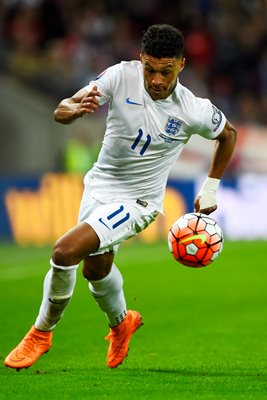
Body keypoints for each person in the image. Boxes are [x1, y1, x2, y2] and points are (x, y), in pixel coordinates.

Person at [4, 24, 236, 370]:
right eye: (150, 69)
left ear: (182, 65)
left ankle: (41, 333)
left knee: (65, 251)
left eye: (166, 72)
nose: (156, 80)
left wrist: (210, 188)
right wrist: (68, 109)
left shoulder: (194, 109)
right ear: (141, 59)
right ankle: (121, 323)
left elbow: (228, 134)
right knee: (96, 271)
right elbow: (65, 107)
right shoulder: (119, 76)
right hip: (98, 186)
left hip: (139, 201)